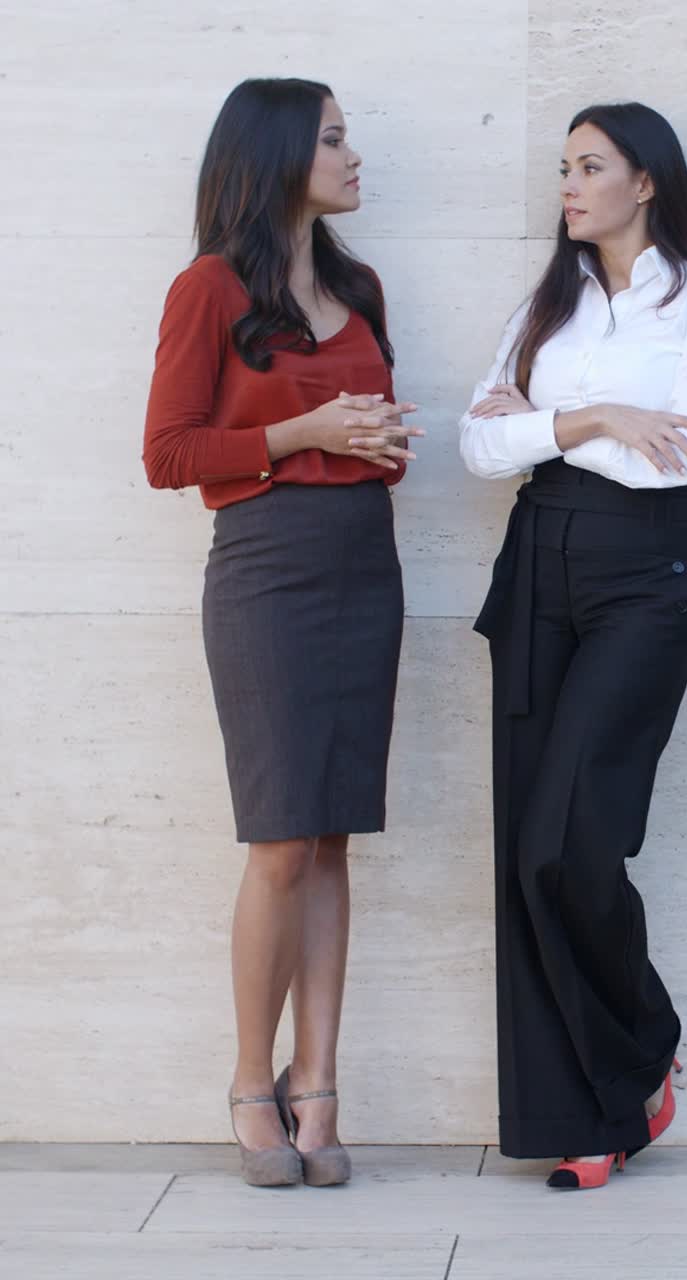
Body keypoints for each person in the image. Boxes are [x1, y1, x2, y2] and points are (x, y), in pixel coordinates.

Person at [460, 101, 687, 1190]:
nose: (569, 185)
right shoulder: (548, 303)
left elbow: (681, 455)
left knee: (565, 844)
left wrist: (542, 416)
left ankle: (644, 1041)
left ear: (647, 183)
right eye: (563, 166)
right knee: (521, 858)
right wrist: (592, 418)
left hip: (645, 579)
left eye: (591, 166)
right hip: (537, 572)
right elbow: (478, 446)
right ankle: (587, 1114)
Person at [142, 77, 420, 1187]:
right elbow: (167, 453)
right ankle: (251, 1083)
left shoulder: (361, 284)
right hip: (264, 571)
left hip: (363, 559)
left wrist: (378, 443)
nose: (355, 158)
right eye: (335, 140)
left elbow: (377, 432)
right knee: (279, 838)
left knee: (334, 833)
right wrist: (302, 427)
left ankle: (321, 1088)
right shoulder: (208, 288)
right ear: (274, 157)